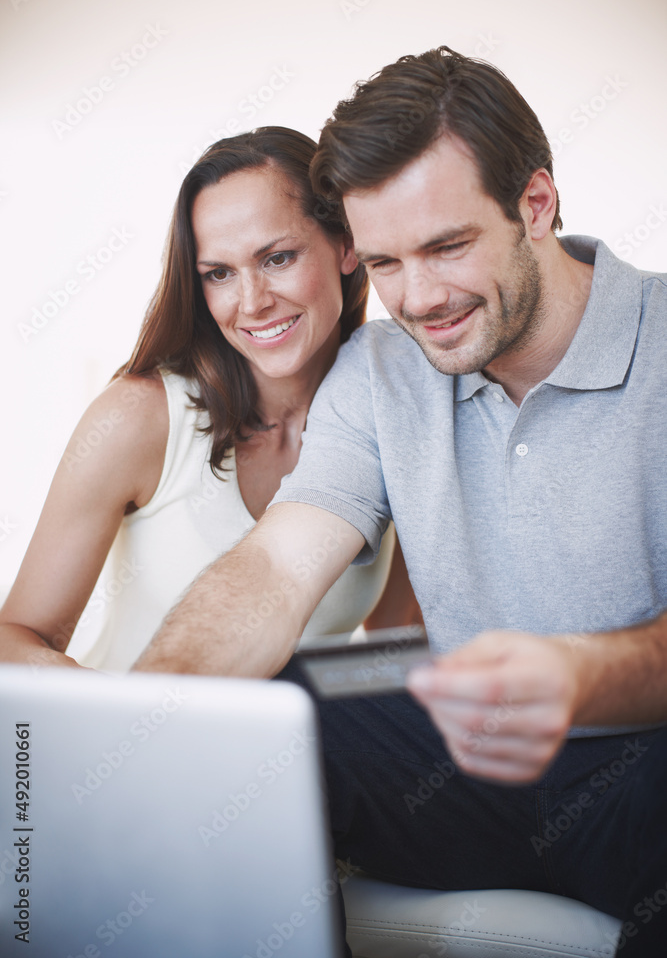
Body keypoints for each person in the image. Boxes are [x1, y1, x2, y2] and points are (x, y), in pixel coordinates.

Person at [132, 50, 667, 956]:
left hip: (644, 772)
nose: (419, 300)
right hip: (460, 770)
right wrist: (155, 709)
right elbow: (275, 566)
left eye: (447, 247)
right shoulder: (380, 367)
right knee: (276, 702)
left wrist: (579, 675)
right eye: (384, 262)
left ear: (535, 205)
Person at [0, 127, 421, 674]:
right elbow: (15, 639)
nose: (252, 302)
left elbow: (396, 644)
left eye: (277, 258)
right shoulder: (139, 419)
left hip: (301, 735)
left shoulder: (394, 413)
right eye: (219, 273)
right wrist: (119, 710)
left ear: (346, 245)